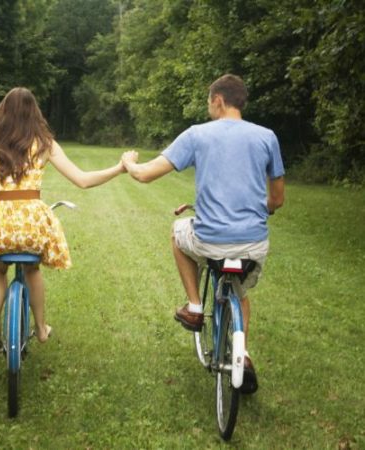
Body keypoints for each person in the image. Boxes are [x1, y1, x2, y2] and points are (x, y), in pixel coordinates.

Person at [121, 74, 285, 394]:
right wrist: (257, 209)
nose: (208, 108)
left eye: (209, 102)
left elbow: (144, 175)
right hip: (253, 244)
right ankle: (244, 355)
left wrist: (129, 162)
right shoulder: (267, 137)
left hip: (210, 241)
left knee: (177, 232)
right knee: (240, 293)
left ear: (218, 100)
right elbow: (277, 200)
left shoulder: (197, 135)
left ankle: (195, 306)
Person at [0, 87, 125, 351]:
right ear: (34, 113)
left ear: (3, 112)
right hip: (33, 225)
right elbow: (83, 180)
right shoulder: (45, 144)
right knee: (32, 269)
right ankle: (41, 329)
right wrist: (120, 167)